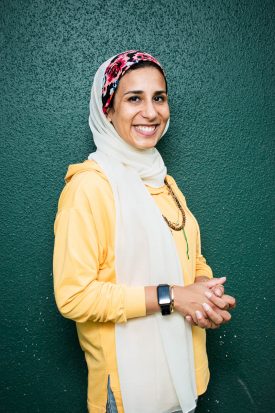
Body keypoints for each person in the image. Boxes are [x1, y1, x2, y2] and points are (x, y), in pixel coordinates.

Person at [53, 50, 236, 413]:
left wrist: (203, 292)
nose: (151, 112)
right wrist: (172, 296)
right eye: (134, 98)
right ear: (108, 110)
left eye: (159, 98)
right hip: (128, 393)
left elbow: (189, 253)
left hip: (184, 377)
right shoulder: (90, 188)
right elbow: (74, 297)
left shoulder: (163, 180)